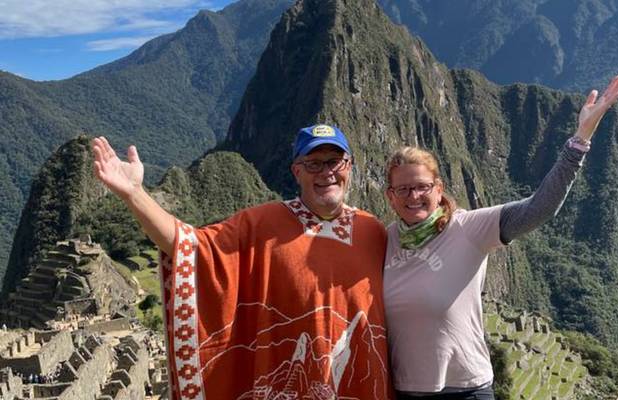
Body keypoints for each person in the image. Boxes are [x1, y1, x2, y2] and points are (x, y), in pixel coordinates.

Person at [92, 124, 393, 399]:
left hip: (361, 384)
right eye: (313, 163)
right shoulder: (260, 225)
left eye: (334, 162)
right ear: (296, 171)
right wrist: (134, 194)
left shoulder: (374, 230)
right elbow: (190, 247)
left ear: (349, 167)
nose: (326, 172)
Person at [382, 76, 618, 399]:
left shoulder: (467, 228)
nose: (413, 195)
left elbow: (539, 208)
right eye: (403, 189)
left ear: (438, 189)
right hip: (404, 392)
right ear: (390, 196)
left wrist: (580, 139)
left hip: (466, 391)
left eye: (422, 187)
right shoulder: (383, 241)